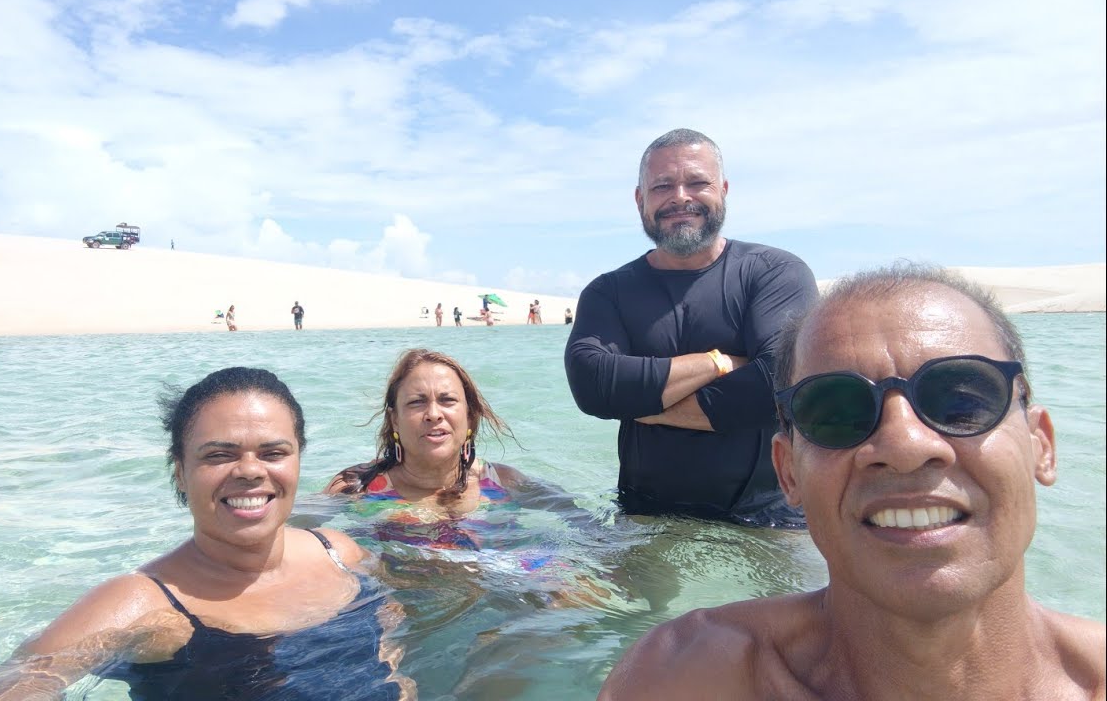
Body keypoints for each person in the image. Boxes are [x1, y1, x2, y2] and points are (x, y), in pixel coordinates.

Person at [598, 265, 1106, 701]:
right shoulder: (683, 678)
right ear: (788, 472)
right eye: (836, 413)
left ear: (1042, 445)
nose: (905, 445)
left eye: (961, 401)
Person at [0, 367, 409, 700]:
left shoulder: (340, 552)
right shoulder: (145, 602)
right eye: (219, 455)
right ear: (181, 472)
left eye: (274, 452)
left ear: (297, 461)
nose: (251, 471)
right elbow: (20, 683)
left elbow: (389, 630)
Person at [564, 128, 818, 526]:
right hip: (645, 517)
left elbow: (779, 383)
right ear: (640, 200)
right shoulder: (609, 291)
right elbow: (593, 386)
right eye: (663, 185)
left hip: (773, 515)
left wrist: (647, 405)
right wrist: (720, 363)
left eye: (697, 182)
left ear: (724, 190)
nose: (680, 196)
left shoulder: (774, 273)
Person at [325, 349, 526, 520]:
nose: (433, 414)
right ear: (394, 420)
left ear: (470, 417)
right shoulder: (354, 488)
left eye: (447, 400)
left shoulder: (505, 482)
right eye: (416, 402)